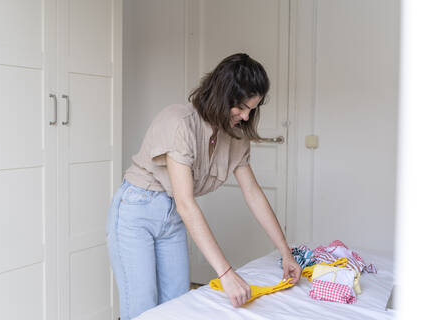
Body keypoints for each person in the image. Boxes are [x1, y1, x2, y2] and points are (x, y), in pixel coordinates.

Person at [106, 53, 301, 319]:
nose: (245, 116)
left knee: (177, 303)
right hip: (137, 211)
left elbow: (253, 194)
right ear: (222, 96)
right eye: (241, 107)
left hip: (171, 214)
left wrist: (286, 253)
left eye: (252, 109)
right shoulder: (179, 122)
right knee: (143, 309)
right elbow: (187, 203)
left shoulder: (236, 136)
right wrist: (226, 274)